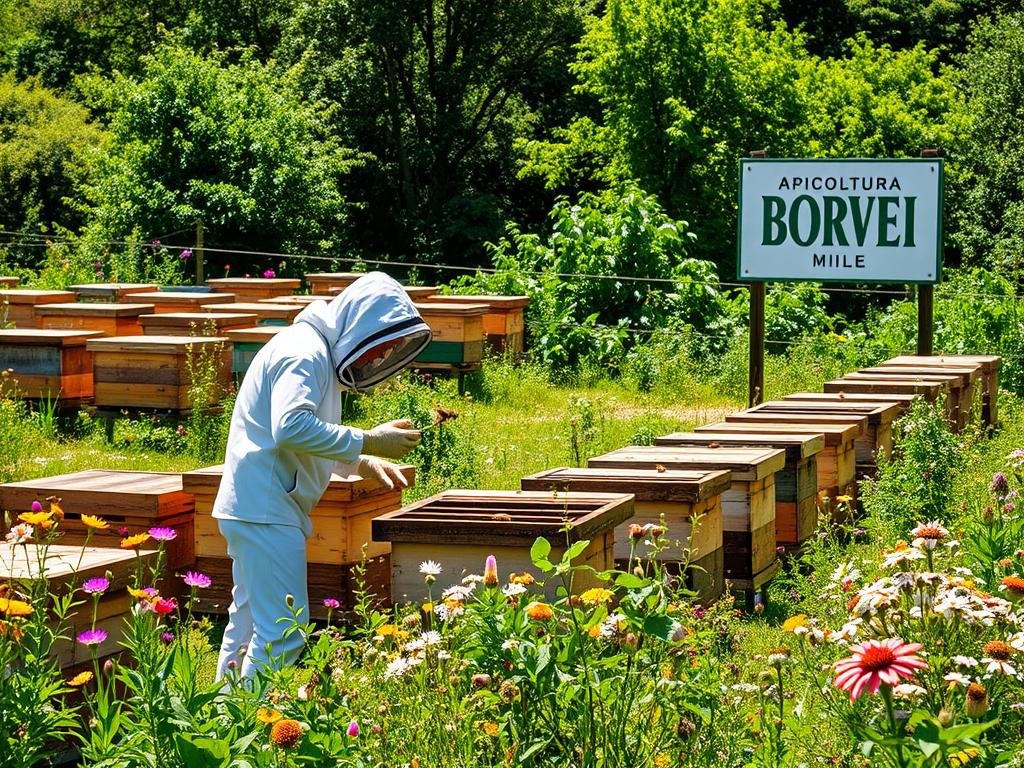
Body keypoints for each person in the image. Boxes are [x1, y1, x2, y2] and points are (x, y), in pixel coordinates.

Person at [213, 271, 432, 681]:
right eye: (380, 347)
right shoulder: (304, 353)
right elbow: (291, 426)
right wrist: (368, 442)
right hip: (266, 509)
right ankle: (248, 731)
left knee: (247, 622)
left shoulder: (310, 351)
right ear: (362, 325)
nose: (378, 359)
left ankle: (221, 724)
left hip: (257, 505)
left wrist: (359, 462)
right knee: (283, 634)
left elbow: (301, 440)